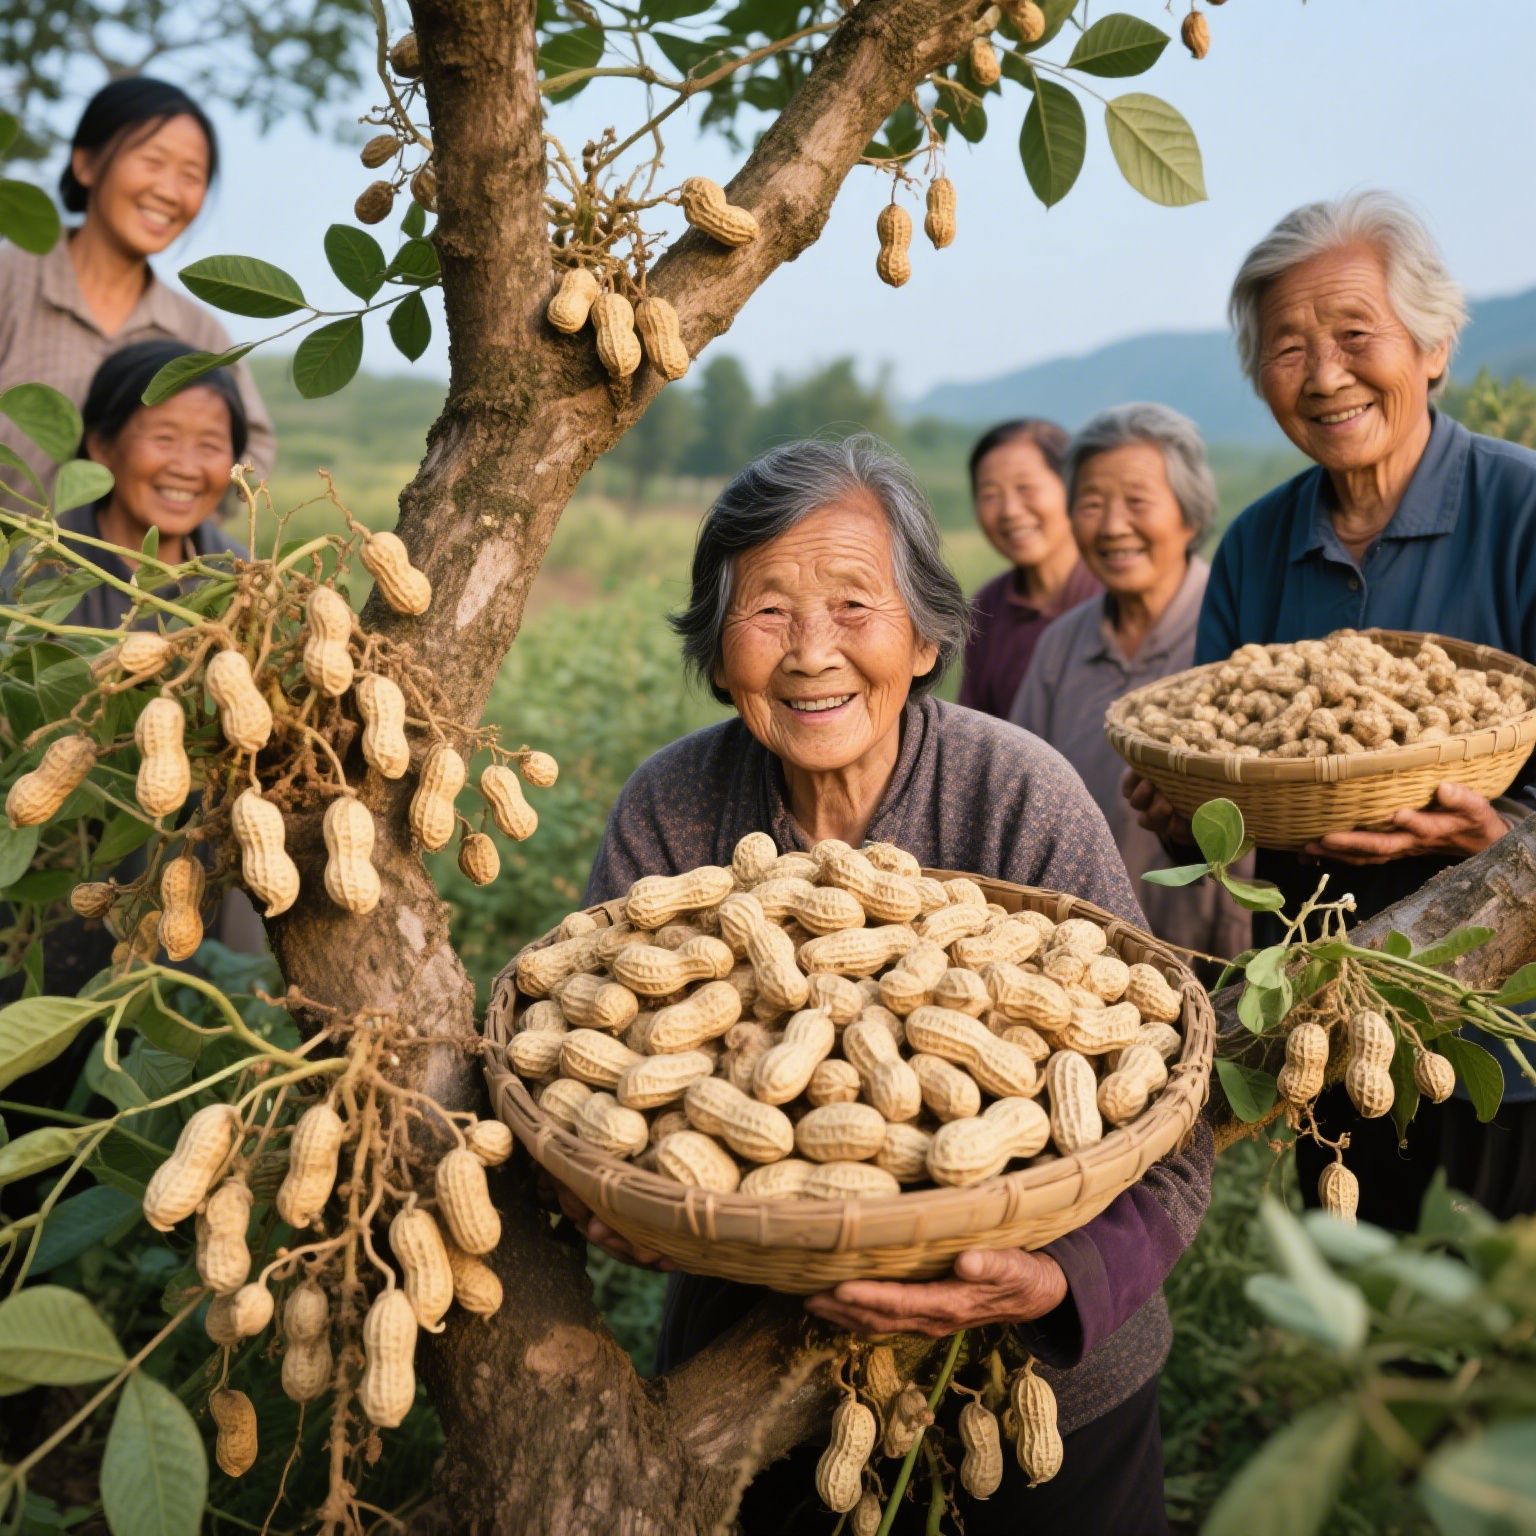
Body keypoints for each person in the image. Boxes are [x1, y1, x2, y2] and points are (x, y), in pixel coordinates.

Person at [569, 437, 1211, 1534]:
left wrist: (1059, 1280)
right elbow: (586, 1070)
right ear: (718, 653)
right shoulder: (671, 808)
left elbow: (1169, 1123)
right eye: (768, 611)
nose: (813, 651)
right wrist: (600, 1190)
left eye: (855, 606)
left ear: (923, 639)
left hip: (1044, 1396)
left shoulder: (1022, 795)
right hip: (765, 1384)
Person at [1126, 192, 1536, 1226]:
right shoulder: (1260, 548)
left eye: (1356, 336)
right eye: (1286, 348)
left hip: (1508, 1023)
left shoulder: (1521, 509)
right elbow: (1213, 754)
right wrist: (1191, 813)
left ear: (1435, 346)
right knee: (1365, 1325)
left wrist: (1507, 832)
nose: (1323, 375)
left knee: (1502, 1329)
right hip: (1328, 1018)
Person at [4, 338, 263, 992]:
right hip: (55, 897)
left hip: (200, 886)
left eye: (210, 444)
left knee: (191, 1017)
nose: (186, 465)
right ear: (101, 447)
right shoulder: (34, 578)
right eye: (164, 437)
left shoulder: (248, 587)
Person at [1010, 404, 1250, 961]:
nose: (1113, 526)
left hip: (1218, 956)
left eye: (1137, 502)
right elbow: (1021, 791)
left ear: (1190, 516)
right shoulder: (1061, 646)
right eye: (1091, 504)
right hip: (1082, 960)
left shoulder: (1237, 636)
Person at [0, 76, 274, 500]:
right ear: (86, 163)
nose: (168, 191)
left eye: (191, 175)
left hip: (128, 570)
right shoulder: (9, 278)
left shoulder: (197, 333)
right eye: (152, 161)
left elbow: (252, 459)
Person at [957, 419, 1100, 718]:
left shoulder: (1113, 596)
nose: (1010, 510)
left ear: (1073, 488)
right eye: (990, 495)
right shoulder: (987, 608)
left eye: (1026, 488)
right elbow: (974, 728)